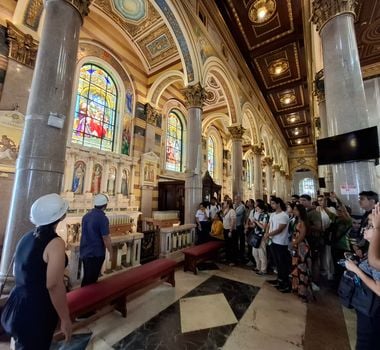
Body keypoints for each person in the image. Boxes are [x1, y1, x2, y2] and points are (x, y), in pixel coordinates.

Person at [1, 193, 71, 349]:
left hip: (17, 302)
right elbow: (53, 285)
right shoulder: (56, 243)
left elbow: (17, 271)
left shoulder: (26, 236)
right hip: (37, 309)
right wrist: (65, 319)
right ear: (61, 215)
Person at [345, 213, 380, 350]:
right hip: (368, 306)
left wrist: (356, 270)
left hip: (373, 308)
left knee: (366, 343)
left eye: (371, 226)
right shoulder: (371, 250)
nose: (365, 228)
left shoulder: (377, 254)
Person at [80, 193, 113, 287]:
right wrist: (111, 252)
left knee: (87, 277)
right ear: (105, 205)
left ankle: (84, 298)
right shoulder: (103, 218)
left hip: (85, 251)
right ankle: (87, 299)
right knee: (91, 279)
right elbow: (106, 238)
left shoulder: (86, 216)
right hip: (96, 253)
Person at [265, 197, 291, 292]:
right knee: (277, 262)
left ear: (278, 204)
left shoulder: (284, 215)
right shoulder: (272, 214)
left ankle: (285, 283)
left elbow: (280, 229)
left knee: (282, 263)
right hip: (273, 241)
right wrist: (267, 234)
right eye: (271, 204)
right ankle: (279, 280)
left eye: (273, 203)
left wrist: (269, 234)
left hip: (281, 242)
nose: (272, 205)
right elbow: (269, 225)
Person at [290, 204, 313, 302]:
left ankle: (303, 292)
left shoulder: (303, 222)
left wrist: (295, 242)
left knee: (302, 268)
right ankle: (297, 288)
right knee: (296, 267)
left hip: (302, 246)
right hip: (296, 245)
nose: (294, 211)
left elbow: (302, 235)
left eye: (296, 210)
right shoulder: (296, 221)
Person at [249, 201, 269, 275]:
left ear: (262, 209)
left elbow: (263, 227)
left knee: (262, 254)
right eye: (256, 208)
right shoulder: (258, 214)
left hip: (262, 236)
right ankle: (258, 267)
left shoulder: (266, 215)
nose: (256, 209)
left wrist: (256, 222)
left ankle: (263, 270)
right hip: (256, 235)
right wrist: (252, 224)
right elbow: (255, 226)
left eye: (258, 208)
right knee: (254, 253)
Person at [222, 199, 237, 265]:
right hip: (225, 229)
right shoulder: (225, 210)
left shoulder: (232, 211)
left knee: (232, 245)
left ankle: (232, 260)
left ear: (228, 204)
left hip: (230, 230)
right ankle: (228, 258)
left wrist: (230, 231)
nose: (223, 204)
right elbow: (223, 217)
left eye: (224, 203)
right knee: (227, 245)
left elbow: (233, 221)